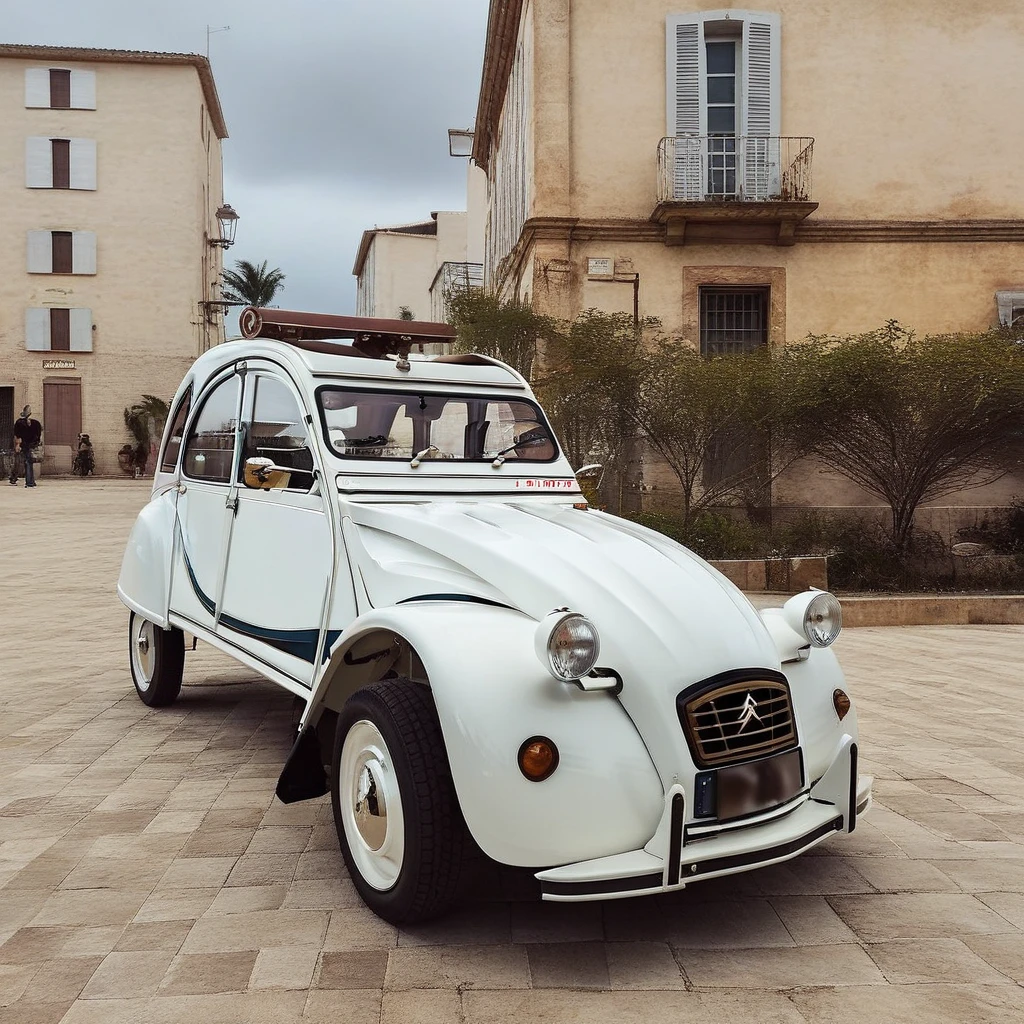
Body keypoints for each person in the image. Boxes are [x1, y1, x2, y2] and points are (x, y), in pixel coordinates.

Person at [10, 405, 42, 487]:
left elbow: (17, 436)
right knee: (29, 462)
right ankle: (31, 481)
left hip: (24, 445)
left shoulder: (19, 423)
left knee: (26, 462)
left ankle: (29, 482)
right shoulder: (36, 423)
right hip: (32, 445)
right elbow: (38, 435)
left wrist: (17, 445)